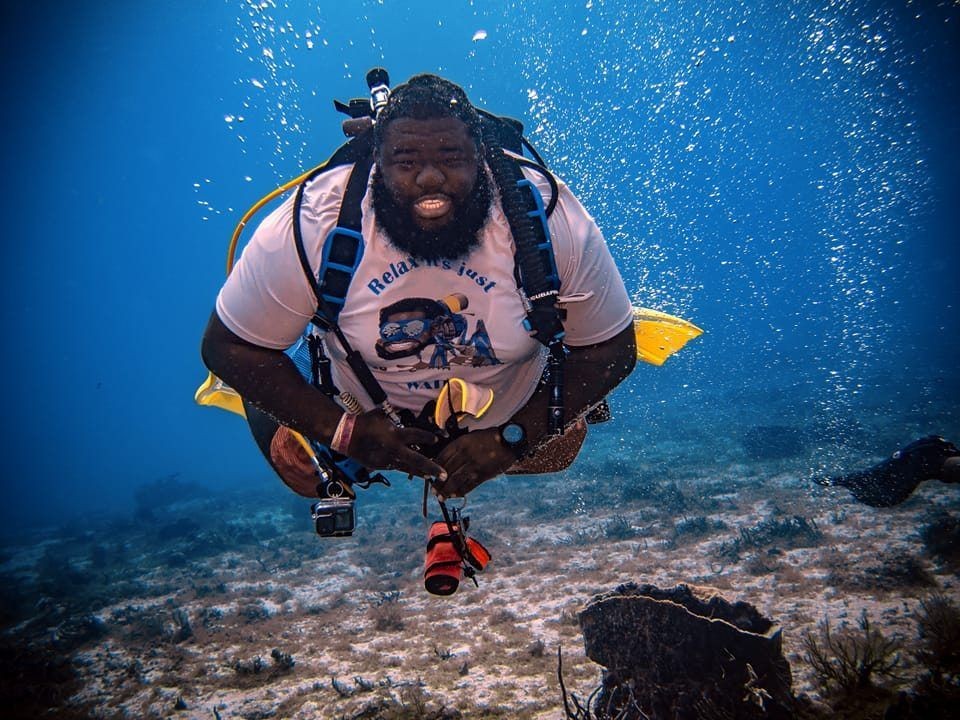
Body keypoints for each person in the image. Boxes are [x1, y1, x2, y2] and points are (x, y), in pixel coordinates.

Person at [201, 73, 636, 502]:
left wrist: (513, 439)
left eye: (451, 157)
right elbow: (227, 347)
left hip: (507, 407)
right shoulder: (316, 221)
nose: (430, 178)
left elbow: (614, 349)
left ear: (481, 157)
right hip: (357, 408)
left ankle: (552, 417)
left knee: (557, 452)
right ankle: (307, 380)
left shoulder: (549, 216)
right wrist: (345, 433)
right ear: (376, 163)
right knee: (304, 474)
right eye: (406, 161)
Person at [818, 435, 960, 507]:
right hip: (934, 452)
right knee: (881, 477)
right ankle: (844, 480)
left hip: (933, 454)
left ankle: (843, 481)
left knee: (884, 482)